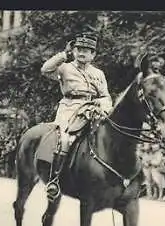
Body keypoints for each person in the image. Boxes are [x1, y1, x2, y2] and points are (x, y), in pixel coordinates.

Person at [40, 27, 113, 200]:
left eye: (87, 51)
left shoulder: (98, 73)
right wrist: (63, 55)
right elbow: (45, 70)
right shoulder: (64, 68)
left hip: (93, 108)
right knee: (65, 139)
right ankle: (55, 180)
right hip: (70, 108)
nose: (82, 53)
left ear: (93, 55)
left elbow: (106, 96)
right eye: (79, 49)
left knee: (108, 137)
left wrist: (103, 106)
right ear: (73, 51)